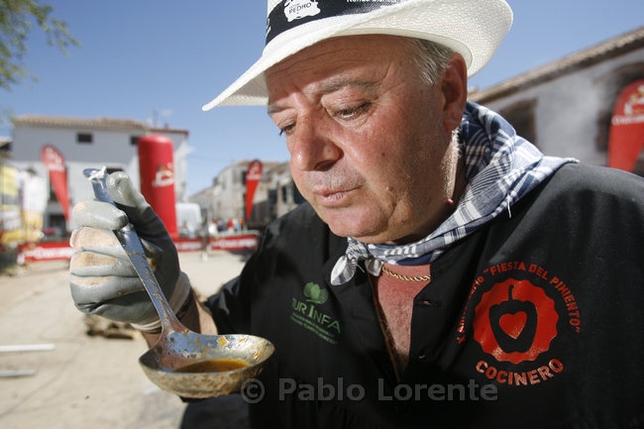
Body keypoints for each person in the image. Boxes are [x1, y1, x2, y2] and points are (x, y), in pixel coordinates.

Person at [69, 1, 644, 428]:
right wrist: (164, 306)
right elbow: (220, 354)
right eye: (286, 125)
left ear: (446, 94)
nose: (306, 158)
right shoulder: (291, 241)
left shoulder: (617, 233)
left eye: (348, 107)